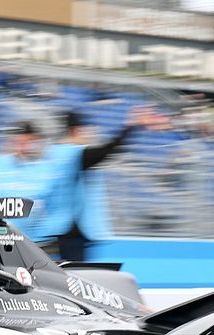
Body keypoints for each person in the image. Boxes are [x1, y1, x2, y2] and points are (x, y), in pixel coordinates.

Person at [32, 107, 154, 261]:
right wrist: (132, 127)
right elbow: (109, 150)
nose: (90, 134)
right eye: (87, 130)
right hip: (73, 231)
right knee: (74, 277)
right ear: (77, 130)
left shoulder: (50, 154)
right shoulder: (77, 155)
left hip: (51, 228)